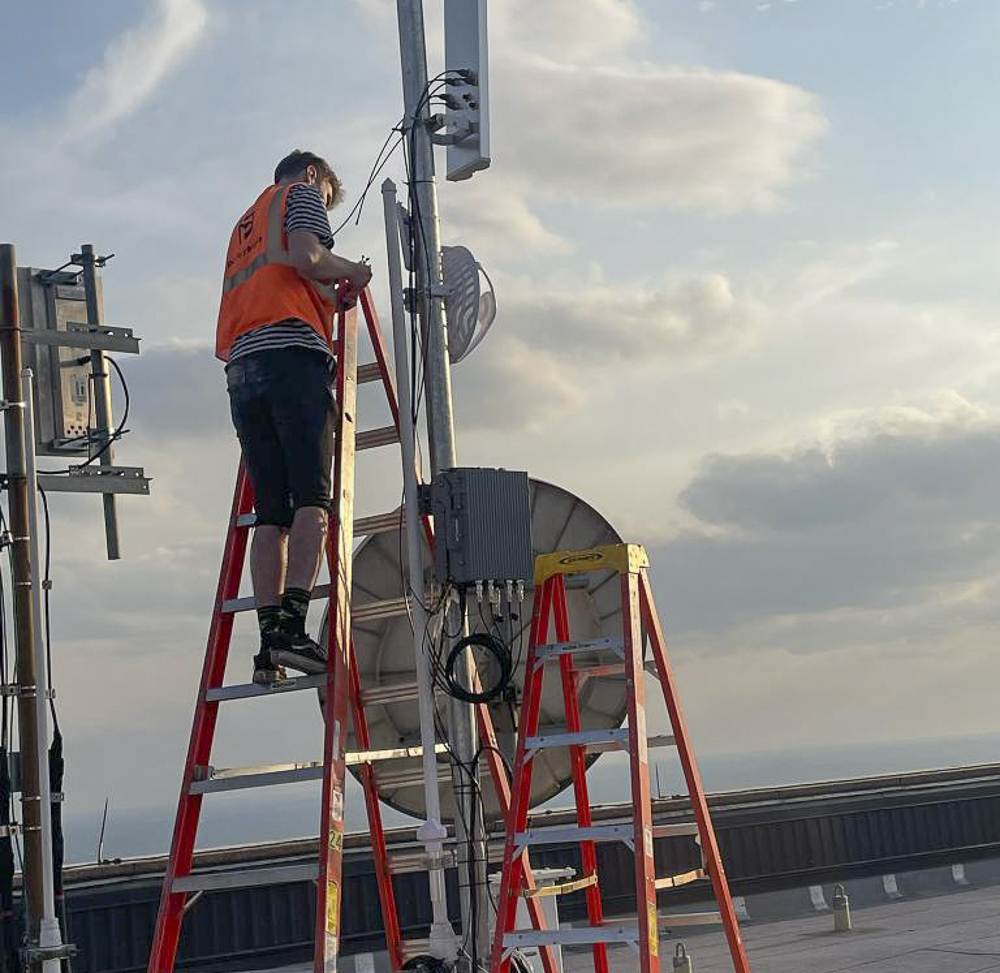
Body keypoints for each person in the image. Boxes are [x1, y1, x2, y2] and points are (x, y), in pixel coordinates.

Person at [215, 150, 372, 684]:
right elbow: (309, 257)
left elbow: (293, 277)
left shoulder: (247, 223)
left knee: (271, 514)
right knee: (313, 503)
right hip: (291, 358)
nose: (322, 206)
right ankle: (294, 629)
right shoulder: (300, 194)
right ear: (312, 175)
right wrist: (355, 271)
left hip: (244, 367)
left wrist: (331, 296)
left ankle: (268, 646)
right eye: (327, 198)